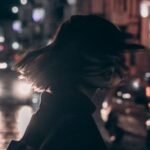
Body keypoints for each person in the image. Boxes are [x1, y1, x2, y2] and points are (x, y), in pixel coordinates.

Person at [7, 15, 129, 150]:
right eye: (100, 55)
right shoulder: (75, 125)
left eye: (113, 55)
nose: (110, 66)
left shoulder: (53, 109)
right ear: (75, 57)